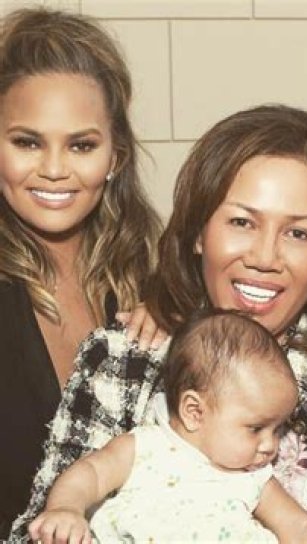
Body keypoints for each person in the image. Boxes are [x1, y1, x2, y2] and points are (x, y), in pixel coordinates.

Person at [13, 105, 307, 543]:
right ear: (199, 232)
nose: (264, 258)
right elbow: (44, 526)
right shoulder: (123, 359)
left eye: (298, 233)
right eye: (242, 222)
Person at [0, 8, 164, 537]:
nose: (54, 169)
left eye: (81, 145)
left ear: (115, 155)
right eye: (27, 142)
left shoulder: (151, 282)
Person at [29, 309, 307, 543]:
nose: (271, 445)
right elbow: (90, 474)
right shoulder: (146, 447)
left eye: (277, 429)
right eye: (256, 428)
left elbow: (299, 526)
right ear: (194, 412)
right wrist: (65, 509)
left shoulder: (254, 477)